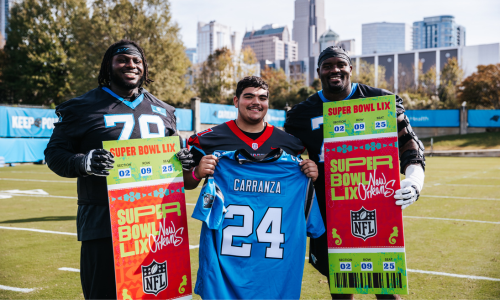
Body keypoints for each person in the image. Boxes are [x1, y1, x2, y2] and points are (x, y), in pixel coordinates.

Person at [284, 46, 426, 300]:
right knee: (341, 287)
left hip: (376, 203)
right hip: (329, 208)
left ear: (350, 68)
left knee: (386, 288)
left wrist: (415, 179)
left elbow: (409, 143)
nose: (334, 70)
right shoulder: (300, 114)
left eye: (340, 64)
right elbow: (286, 160)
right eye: (327, 66)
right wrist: (306, 168)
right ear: (319, 72)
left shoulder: (380, 101)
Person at [44, 40, 178, 299]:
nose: (131, 65)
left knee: (156, 294)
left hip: (156, 225)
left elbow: (176, 155)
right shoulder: (81, 107)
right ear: (109, 65)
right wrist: (84, 162)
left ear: (145, 67)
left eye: (136, 61)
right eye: (123, 60)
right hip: (102, 222)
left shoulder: (165, 111)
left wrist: (183, 160)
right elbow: (54, 154)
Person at [179, 76, 318, 189]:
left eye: (262, 98)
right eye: (249, 97)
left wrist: (310, 173)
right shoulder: (208, 139)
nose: (256, 102)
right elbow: (186, 184)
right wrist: (197, 173)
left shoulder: (290, 143)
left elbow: (300, 185)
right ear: (236, 101)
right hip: (225, 223)